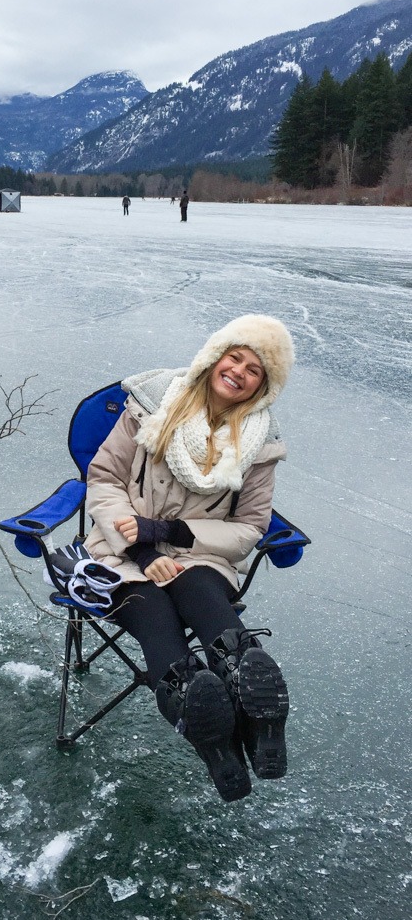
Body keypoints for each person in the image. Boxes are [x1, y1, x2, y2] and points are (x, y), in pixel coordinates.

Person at [84, 314, 295, 802]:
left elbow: (249, 529)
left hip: (200, 553)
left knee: (198, 588)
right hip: (122, 551)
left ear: (263, 387)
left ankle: (255, 709)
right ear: (214, 356)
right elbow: (103, 481)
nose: (239, 372)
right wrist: (140, 546)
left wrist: (173, 533)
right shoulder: (150, 407)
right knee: (152, 609)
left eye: (254, 370)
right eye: (235, 357)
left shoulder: (260, 444)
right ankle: (213, 737)